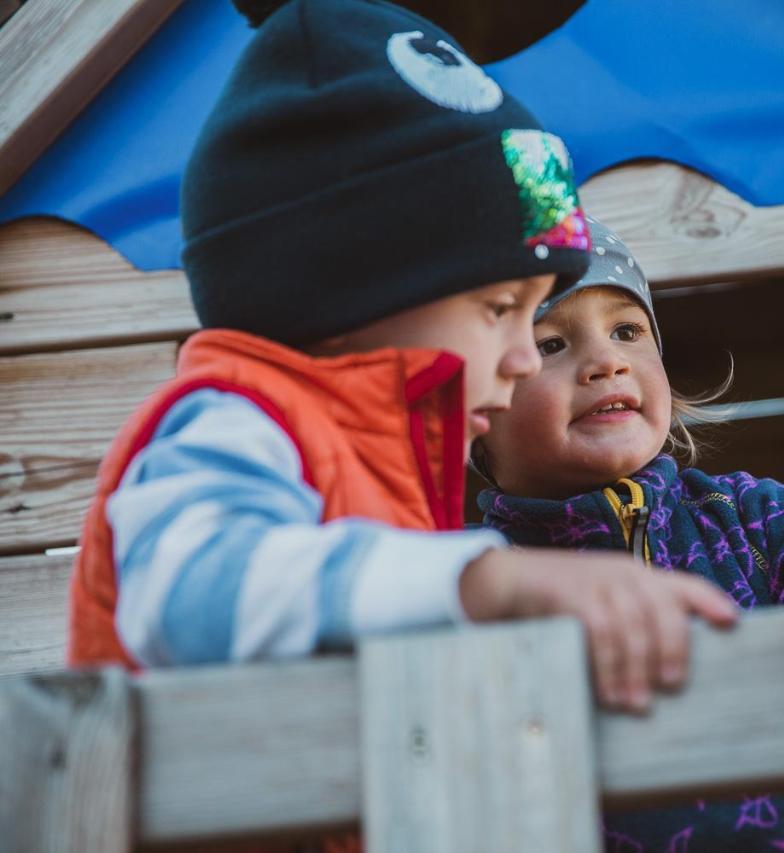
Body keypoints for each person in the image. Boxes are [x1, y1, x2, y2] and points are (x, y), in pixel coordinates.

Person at [67, 0, 738, 720]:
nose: (520, 357)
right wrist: (485, 583)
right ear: (355, 287)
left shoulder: (393, 475)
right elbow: (190, 595)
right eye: (498, 309)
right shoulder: (238, 421)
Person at [475, 217, 784, 852]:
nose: (606, 361)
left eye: (627, 331)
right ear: (475, 410)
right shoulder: (479, 580)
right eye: (550, 345)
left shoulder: (754, 519)